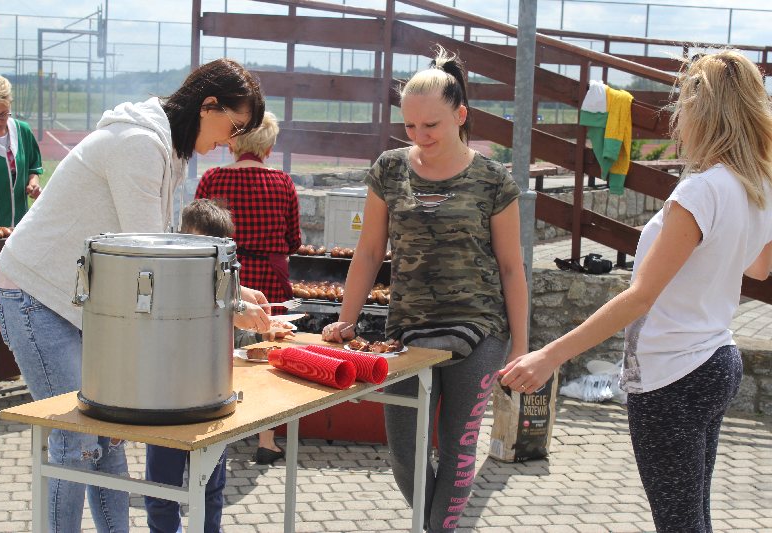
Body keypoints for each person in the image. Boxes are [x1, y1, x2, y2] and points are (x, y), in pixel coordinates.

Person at [0, 58, 271, 533]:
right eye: (234, 127)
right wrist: (230, 305)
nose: (232, 141)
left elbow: (165, 247)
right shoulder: (139, 145)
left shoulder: (168, 151)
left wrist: (234, 290)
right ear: (208, 106)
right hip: (32, 294)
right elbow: (153, 259)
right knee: (76, 442)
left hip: (80, 304)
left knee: (109, 439)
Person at [500, 50, 772, 533]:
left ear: (703, 112)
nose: (677, 119)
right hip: (716, 359)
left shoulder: (702, 190)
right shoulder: (758, 185)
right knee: (693, 518)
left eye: (683, 107)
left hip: (674, 373)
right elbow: (759, 266)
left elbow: (641, 296)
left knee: (680, 524)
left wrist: (549, 356)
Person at [321, 46, 528, 532]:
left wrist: (520, 347)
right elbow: (369, 253)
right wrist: (346, 321)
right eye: (410, 126)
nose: (419, 136)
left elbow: (511, 266)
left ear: (461, 116)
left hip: (480, 331)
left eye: (430, 125)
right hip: (407, 332)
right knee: (405, 454)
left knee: (458, 449)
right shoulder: (389, 169)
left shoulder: (494, 179)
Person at [144, 198, 291, 533]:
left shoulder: (224, 284)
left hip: (211, 402)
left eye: (214, 254)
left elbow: (231, 316)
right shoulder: (164, 278)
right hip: (165, 403)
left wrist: (249, 309)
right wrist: (235, 307)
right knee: (162, 491)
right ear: (181, 240)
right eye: (198, 249)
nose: (205, 261)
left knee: (211, 487)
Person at [195, 111, 302, 465]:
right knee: (268, 356)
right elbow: (294, 240)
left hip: (225, 274)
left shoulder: (212, 178)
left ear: (233, 143)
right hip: (270, 278)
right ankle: (266, 440)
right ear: (268, 148)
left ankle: (217, 420)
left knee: (219, 350)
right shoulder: (283, 183)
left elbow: (196, 233)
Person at [0, 74, 43, 232]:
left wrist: (33, 183)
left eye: (3, 114)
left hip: (19, 229)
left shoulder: (23, 131)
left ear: (10, 104)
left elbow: (33, 167)